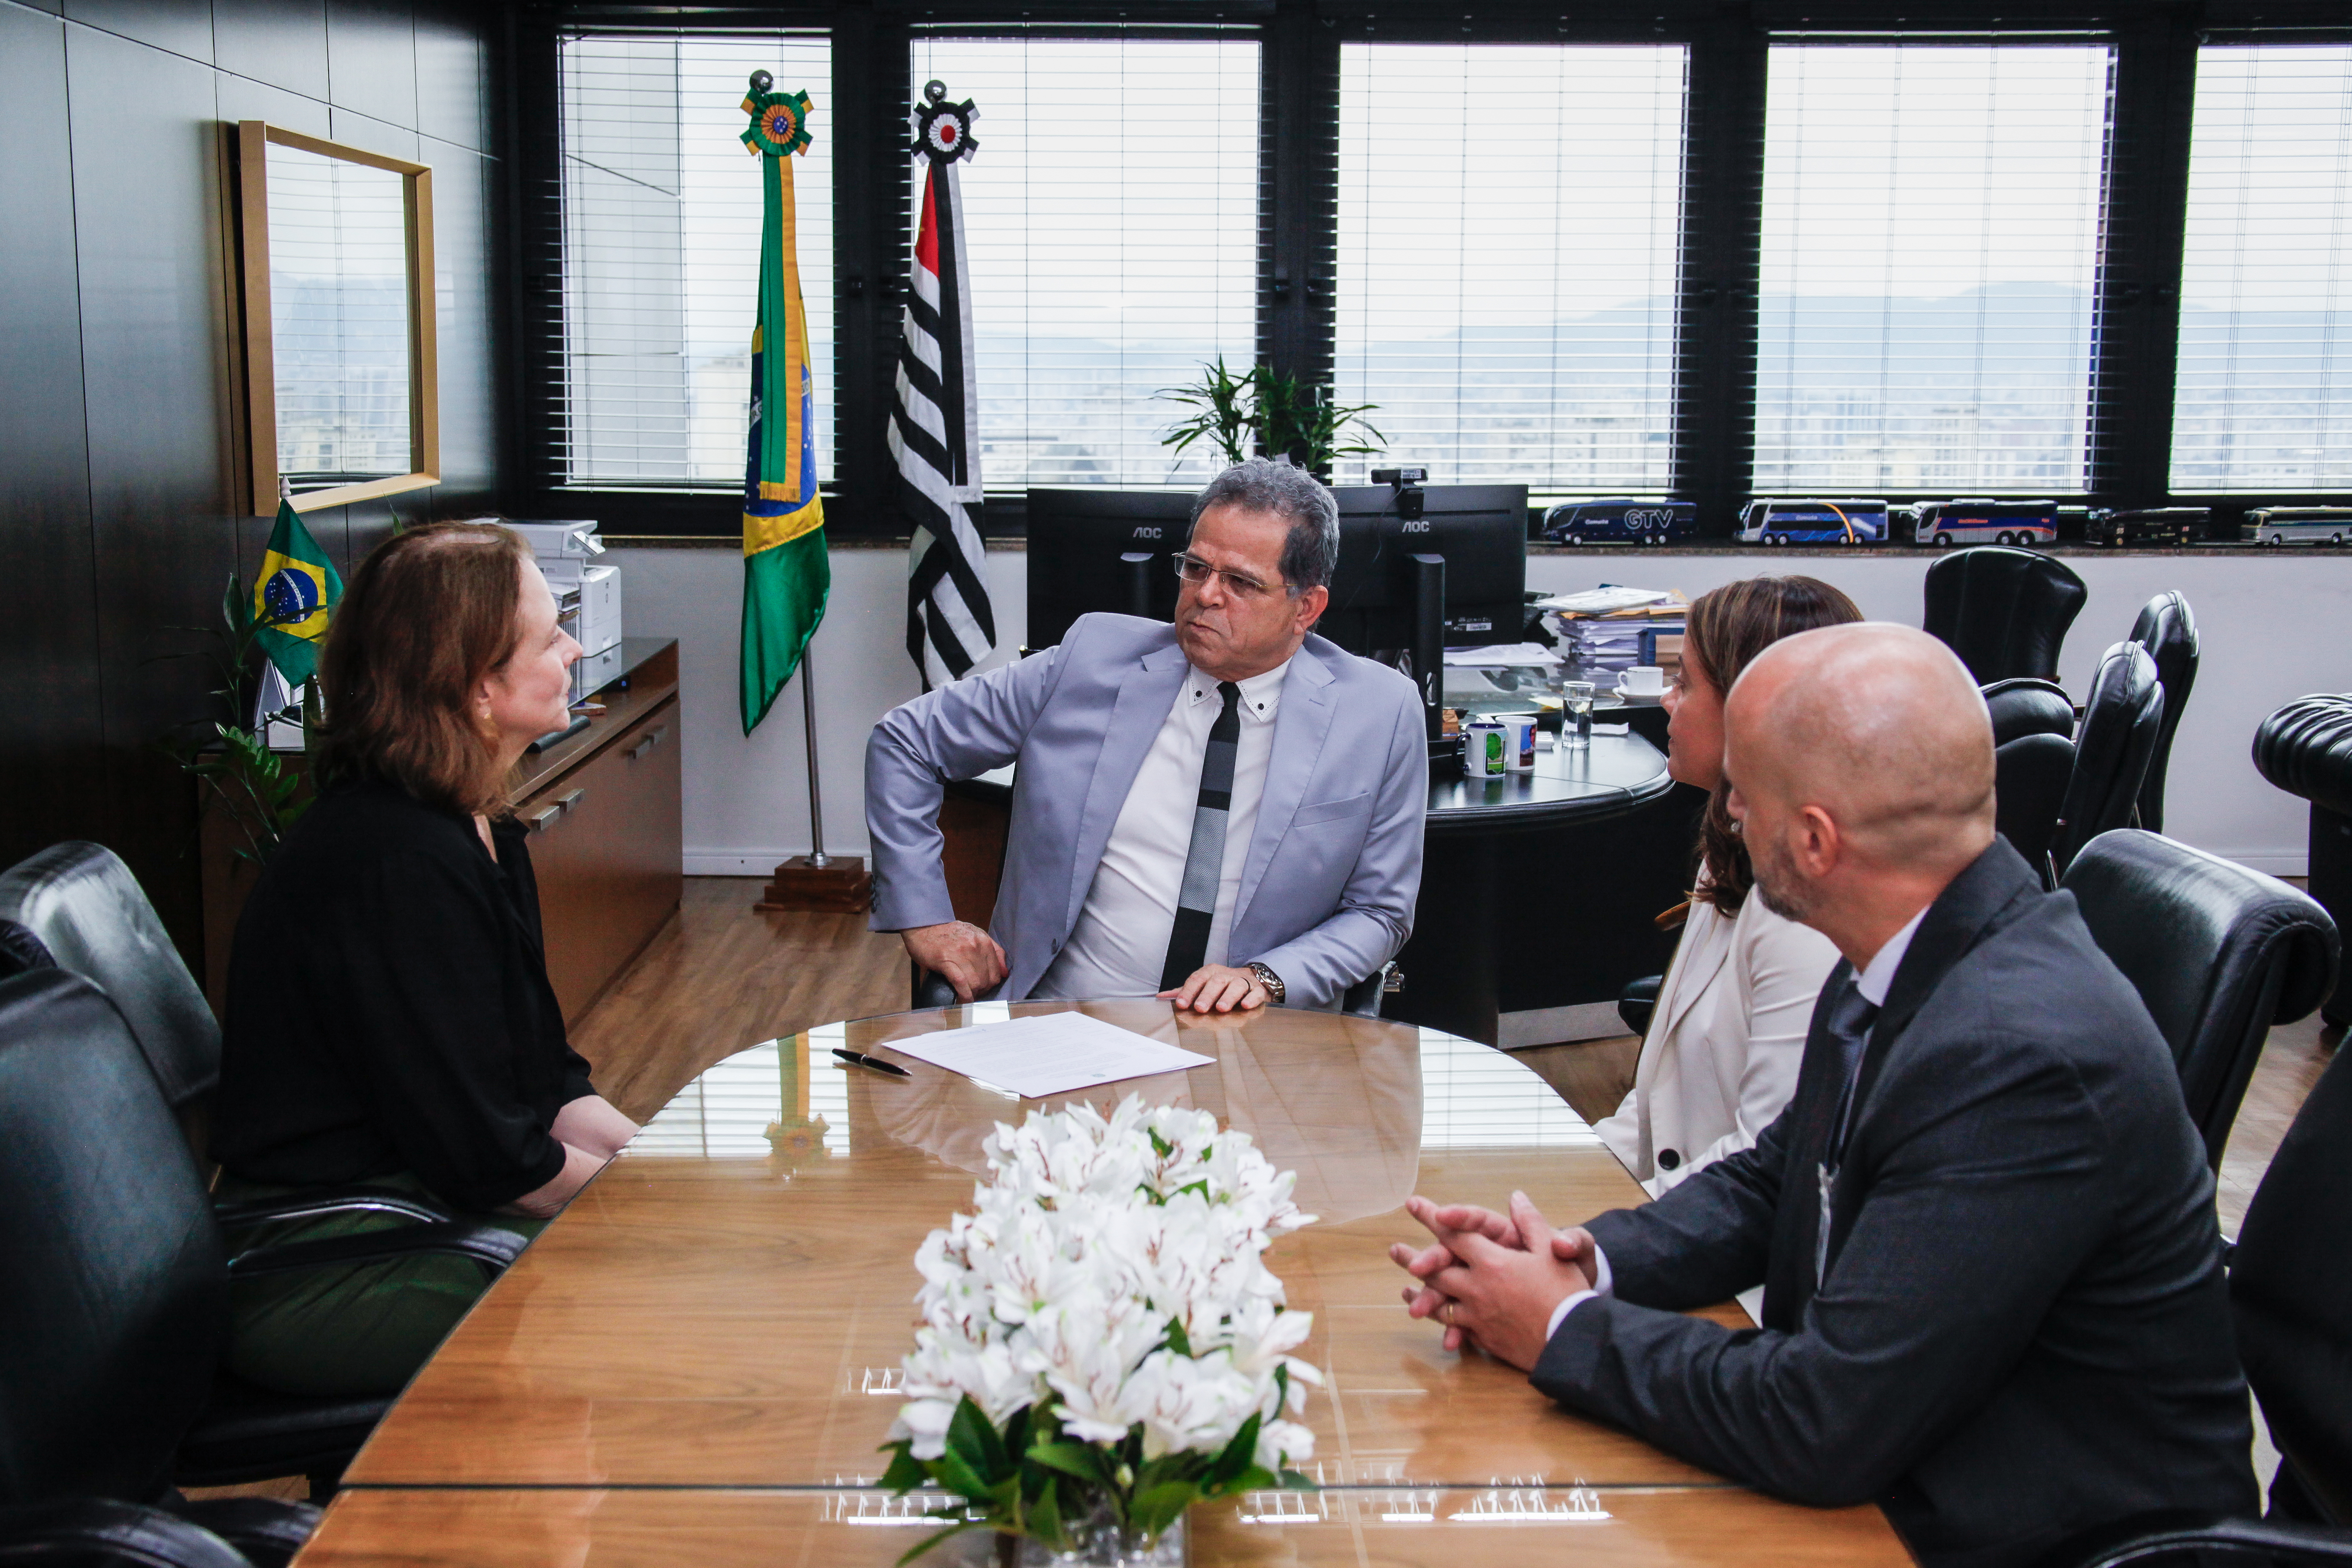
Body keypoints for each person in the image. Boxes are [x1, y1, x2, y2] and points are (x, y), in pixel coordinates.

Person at [1389, 623, 2257, 1567]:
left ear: (1813, 841)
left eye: (1742, 794)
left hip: (2019, 1533)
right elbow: (1776, 1176)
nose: (1727, 812)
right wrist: (1582, 1261)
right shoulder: (1916, 940)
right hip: (1914, 1462)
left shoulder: (2019, 1058)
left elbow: (1822, 1418)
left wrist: (1561, 1326)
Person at [211, 522, 641, 1397]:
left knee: (681, 1257)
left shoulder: (473, 829)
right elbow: (494, 1161)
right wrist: (659, 1217)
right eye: (550, 636)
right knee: (653, 1297)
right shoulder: (398, 864)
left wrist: (672, 1176)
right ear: (479, 686)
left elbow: (545, 1081)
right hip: (329, 1259)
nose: (574, 650)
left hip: (416, 1205)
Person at [866, 458, 1424, 1012]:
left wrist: (1269, 977)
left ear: (1306, 607)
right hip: (1063, 1019)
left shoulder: (1379, 712)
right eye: (1197, 568)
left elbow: (1380, 912)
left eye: (1239, 582)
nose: (1207, 595)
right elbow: (905, 742)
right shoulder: (1091, 660)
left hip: (1254, 1037)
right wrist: (924, 916)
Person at [1591, 577, 1858, 1211]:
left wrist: (1588, 1237)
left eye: (1684, 684)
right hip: (1680, 1208)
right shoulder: (1732, 842)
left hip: (1726, 1242)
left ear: (1754, 709)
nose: (1666, 699)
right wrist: (1557, 1182)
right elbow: (1660, 1100)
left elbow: (1765, 1170)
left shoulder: (1808, 913)